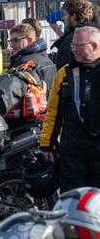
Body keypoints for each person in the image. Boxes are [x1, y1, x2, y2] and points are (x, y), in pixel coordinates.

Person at [40, 26, 100, 191]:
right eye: (72, 45)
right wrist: (47, 145)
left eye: (77, 45)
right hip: (73, 152)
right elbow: (53, 112)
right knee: (71, 199)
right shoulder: (64, 73)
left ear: (94, 46)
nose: (72, 49)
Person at [8, 23, 57, 92]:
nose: (12, 45)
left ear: (30, 40)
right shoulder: (46, 58)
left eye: (16, 40)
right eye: (11, 41)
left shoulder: (24, 63)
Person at [53, 0, 98, 69]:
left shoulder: (74, 38)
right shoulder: (95, 33)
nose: (63, 18)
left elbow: (63, 67)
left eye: (65, 14)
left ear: (73, 16)